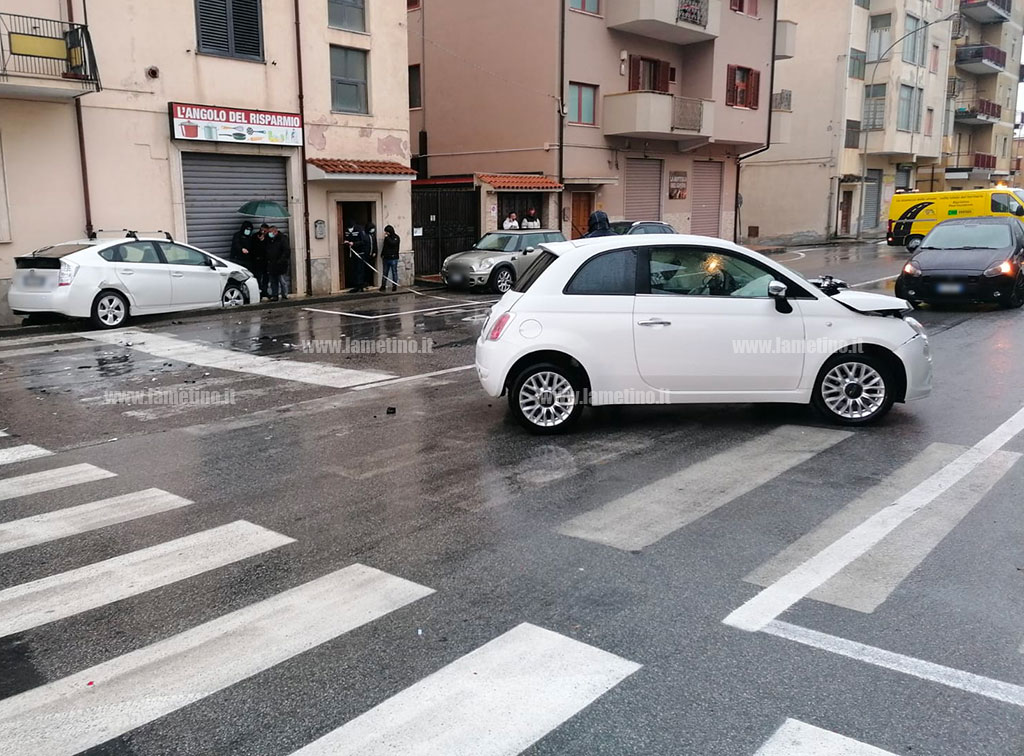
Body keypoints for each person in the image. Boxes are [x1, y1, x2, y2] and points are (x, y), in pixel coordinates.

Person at [264, 225, 291, 301]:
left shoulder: (282, 239)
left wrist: (281, 260)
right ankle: (275, 295)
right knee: (273, 281)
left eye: (270, 232)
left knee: (282, 281)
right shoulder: (268, 240)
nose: (269, 233)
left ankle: (284, 295)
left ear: (275, 231)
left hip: (280, 264)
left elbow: (286, 251)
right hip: (271, 264)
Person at [344, 223, 371, 293]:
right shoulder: (347, 231)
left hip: (360, 254)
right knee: (354, 270)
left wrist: (354, 244)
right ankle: (357, 285)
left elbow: (363, 242)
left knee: (360, 270)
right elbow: (347, 238)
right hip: (352, 254)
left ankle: (360, 286)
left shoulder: (360, 231)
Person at [251, 224, 270, 299]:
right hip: (257, 261)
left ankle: (265, 291)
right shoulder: (255, 236)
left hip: (266, 261)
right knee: (258, 277)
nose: (263, 232)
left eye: (265, 231)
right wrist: (260, 241)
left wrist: (263, 241)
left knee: (266, 277)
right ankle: (259, 291)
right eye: (262, 230)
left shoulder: (268, 237)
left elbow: (269, 248)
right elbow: (253, 248)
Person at [379, 225, 400, 292]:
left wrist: (387, 238)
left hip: (393, 258)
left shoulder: (396, 237)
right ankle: (383, 286)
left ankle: (394, 286)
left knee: (394, 272)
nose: (386, 233)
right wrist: (382, 254)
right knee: (385, 272)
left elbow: (393, 244)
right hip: (386, 258)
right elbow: (385, 247)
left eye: (387, 232)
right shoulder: (386, 238)